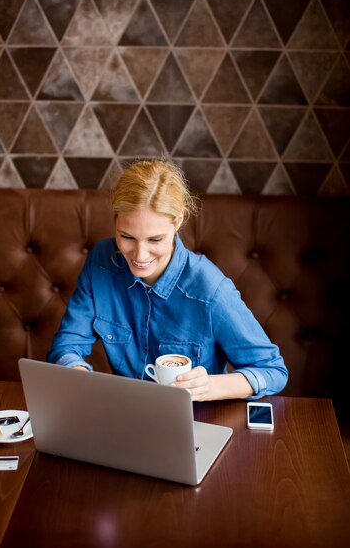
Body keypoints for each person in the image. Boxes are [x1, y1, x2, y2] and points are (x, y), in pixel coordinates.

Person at [47, 159, 288, 402]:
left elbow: (273, 371)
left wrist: (210, 387)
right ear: (115, 219)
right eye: (127, 237)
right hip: (122, 418)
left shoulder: (210, 290)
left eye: (155, 240)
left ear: (179, 221)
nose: (140, 256)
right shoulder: (100, 261)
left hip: (196, 423)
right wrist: (77, 377)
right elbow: (67, 344)